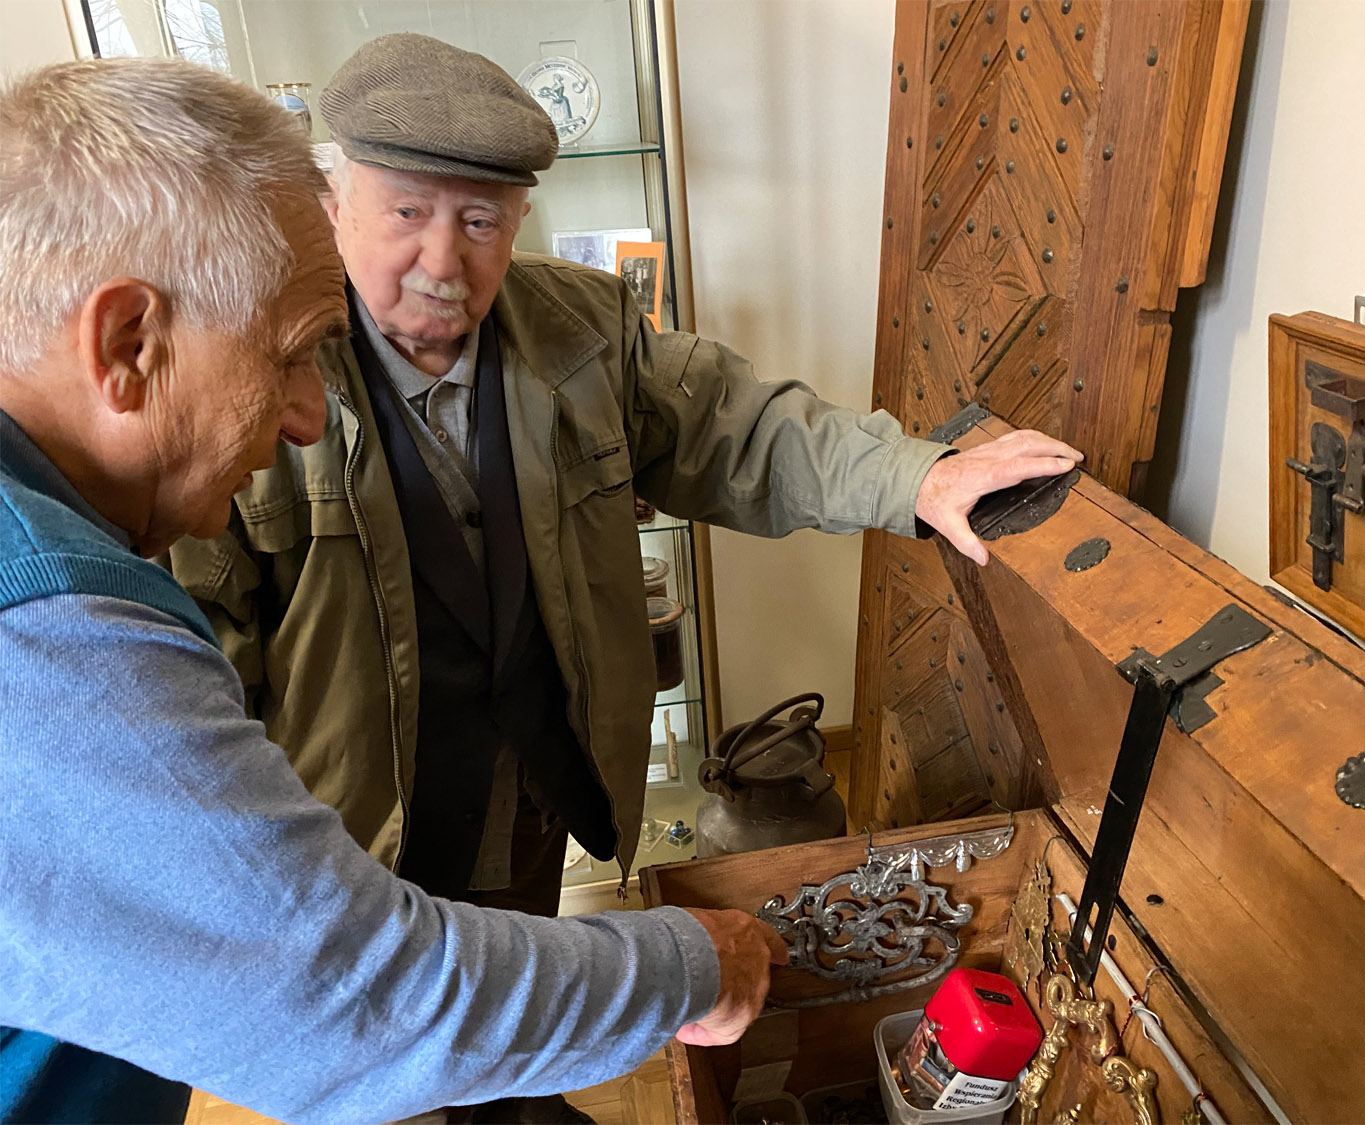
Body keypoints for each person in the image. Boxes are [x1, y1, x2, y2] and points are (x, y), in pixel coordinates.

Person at [168, 32, 1086, 1121]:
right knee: (386, 1051)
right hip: (357, 819)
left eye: (480, 220)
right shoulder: (258, 365)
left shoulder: (583, 331)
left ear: (519, 220)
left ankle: (507, 1095)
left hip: (538, 777)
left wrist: (920, 476)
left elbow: (741, 431)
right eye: (406, 212)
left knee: (513, 973)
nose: (442, 263)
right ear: (337, 201)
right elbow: (189, 645)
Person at [0, 56, 783, 1125]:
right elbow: (350, 1000)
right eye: (284, 358)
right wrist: (688, 966)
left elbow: (739, 427)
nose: (307, 417)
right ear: (128, 344)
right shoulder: (55, 636)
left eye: (483, 221)